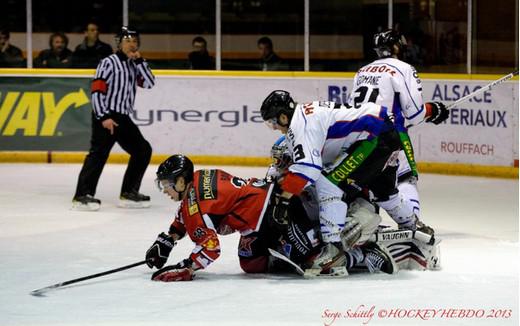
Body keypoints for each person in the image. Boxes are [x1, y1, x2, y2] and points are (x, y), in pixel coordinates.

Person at [145, 154, 397, 282]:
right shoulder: (199, 179)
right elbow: (186, 216)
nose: (164, 190)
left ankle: (363, 253)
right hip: (261, 215)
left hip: (277, 211)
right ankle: (293, 245)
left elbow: (210, 249)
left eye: (166, 185)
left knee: (313, 263)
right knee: (251, 265)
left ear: (180, 181)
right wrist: (168, 239)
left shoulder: (196, 204)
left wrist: (187, 268)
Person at [259, 90, 430, 276]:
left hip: (375, 137)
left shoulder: (301, 125)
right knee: (384, 193)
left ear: (283, 116)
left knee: (328, 184)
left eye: (272, 123)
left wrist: (283, 200)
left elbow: (309, 169)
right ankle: (414, 225)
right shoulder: (306, 114)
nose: (274, 127)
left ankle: (333, 249)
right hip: (384, 132)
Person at [348, 29, 449, 226]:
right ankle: (411, 226)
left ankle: (361, 224)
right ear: (396, 47)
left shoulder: (362, 71)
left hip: (357, 137)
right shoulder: (403, 68)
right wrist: (432, 110)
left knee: (365, 183)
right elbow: (415, 113)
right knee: (405, 178)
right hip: (389, 136)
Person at [72, 26, 155, 211]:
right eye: (127, 41)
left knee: (143, 150)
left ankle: (129, 193)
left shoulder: (136, 64)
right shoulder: (109, 62)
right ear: (119, 44)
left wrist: (140, 61)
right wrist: (104, 116)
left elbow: (149, 83)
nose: (132, 44)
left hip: (123, 118)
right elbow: (97, 90)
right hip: (107, 116)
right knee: (98, 155)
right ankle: (82, 195)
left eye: (134, 41)